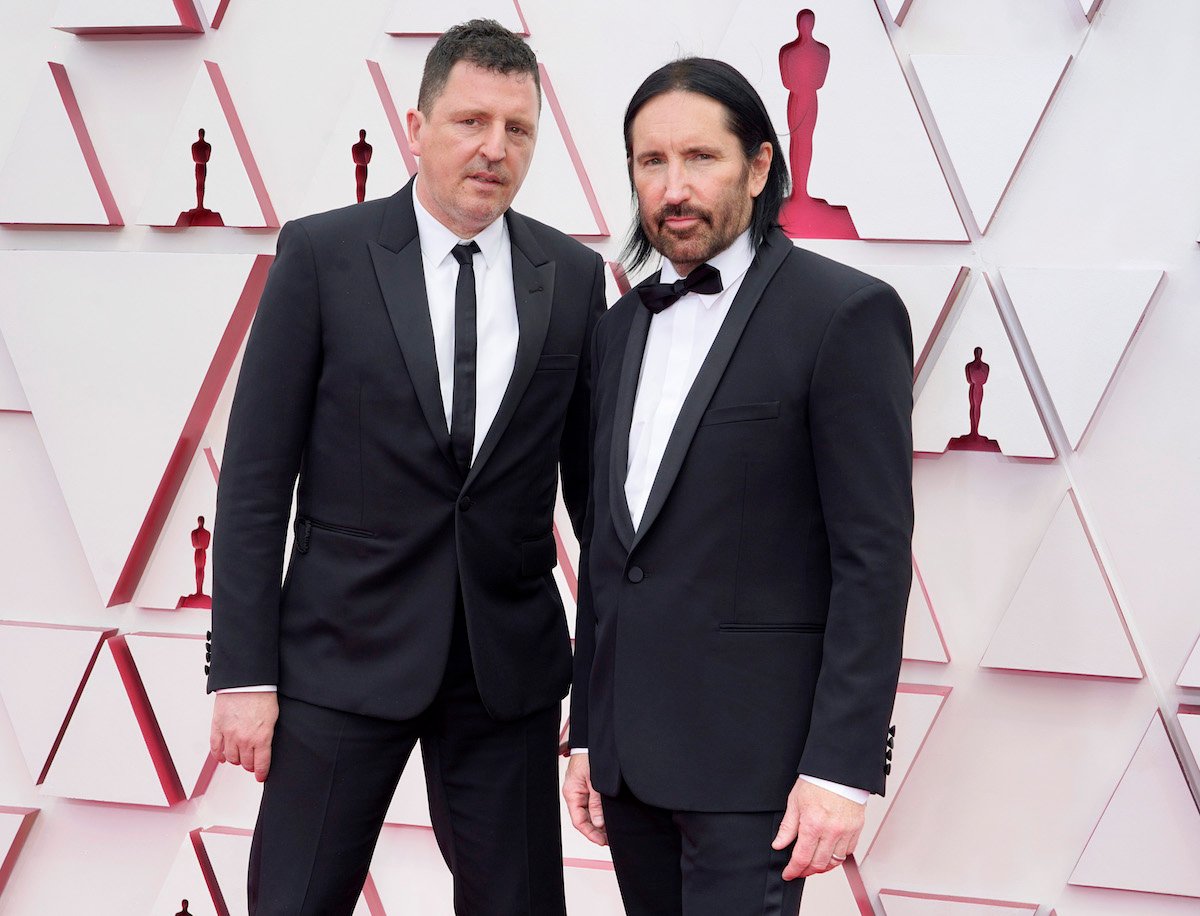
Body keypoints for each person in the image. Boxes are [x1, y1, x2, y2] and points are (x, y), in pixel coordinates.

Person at [206, 19, 605, 916]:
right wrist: (242, 674)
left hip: (506, 677)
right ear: (415, 127)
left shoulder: (573, 277)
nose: (493, 148)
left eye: (518, 129)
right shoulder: (321, 255)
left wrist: (605, 692)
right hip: (337, 660)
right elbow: (257, 482)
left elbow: (597, 508)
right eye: (470, 121)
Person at [563, 57, 913, 915]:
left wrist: (842, 764)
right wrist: (586, 728)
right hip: (629, 762)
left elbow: (872, 558)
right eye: (652, 163)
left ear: (759, 167)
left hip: (760, 772)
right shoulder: (615, 331)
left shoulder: (844, 314)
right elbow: (613, 550)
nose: (674, 188)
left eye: (700, 159)